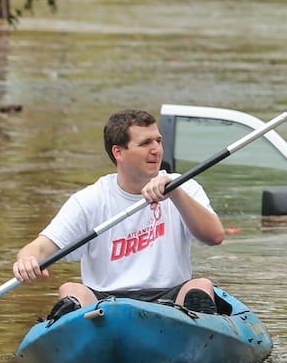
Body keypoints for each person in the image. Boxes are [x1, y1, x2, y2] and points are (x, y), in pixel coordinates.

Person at [12, 109, 226, 319]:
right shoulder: (90, 199)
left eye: (158, 141)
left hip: (171, 298)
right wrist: (26, 260)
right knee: (71, 289)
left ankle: (195, 331)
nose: (157, 150)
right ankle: (78, 332)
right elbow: (40, 247)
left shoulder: (183, 187)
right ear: (118, 152)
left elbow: (215, 236)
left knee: (201, 285)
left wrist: (175, 193)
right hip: (105, 303)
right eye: (145, 143)